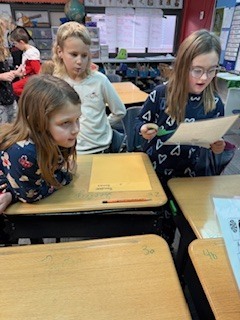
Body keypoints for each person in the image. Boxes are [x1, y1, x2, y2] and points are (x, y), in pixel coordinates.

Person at [135, 29, 235, 245]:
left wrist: (216, 147)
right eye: (197, 70)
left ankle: (186, 257)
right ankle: (165, 250)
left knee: (191, 223)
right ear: (182, 67)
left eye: (211, 70)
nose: (204, 78)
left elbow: (213, 141)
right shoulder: (161, 94)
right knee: (161, 223)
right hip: (159, 173)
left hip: (193, 175)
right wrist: (144, 130)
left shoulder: (215, 103)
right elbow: (139, 123)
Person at [0, 73, 81, 215]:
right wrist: (64, 177)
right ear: (38, 123)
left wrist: (12, 192)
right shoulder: (24, 152)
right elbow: (31, 195)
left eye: (77, 119)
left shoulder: (55, 138)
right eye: (65, 123)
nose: (76, 129)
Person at [52, 21, 126, 154]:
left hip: (101, 148)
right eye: (74, 54)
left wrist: (103, 125)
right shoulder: (56, 82)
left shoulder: (99, 80)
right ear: (60, 52)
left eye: (84, 55)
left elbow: (120, 111)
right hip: (70, 151)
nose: (80, 61)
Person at [0, 24, 25, 124]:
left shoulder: (2, 51)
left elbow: (4, 72)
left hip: (9, 98)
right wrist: (1, 76)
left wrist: (14, 73)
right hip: (1, 103)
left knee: (14, 130)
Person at [10, 27, 41, 97]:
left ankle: (33, 96)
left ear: (21, 42)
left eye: (15, 43)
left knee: (14, 88)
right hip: (26, 76)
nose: (15, 46)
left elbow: (37, 70)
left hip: (31, 78)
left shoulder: (31, 53)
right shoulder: (27, 51)